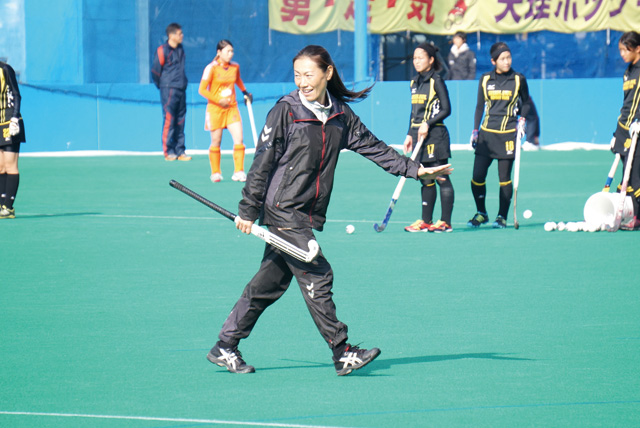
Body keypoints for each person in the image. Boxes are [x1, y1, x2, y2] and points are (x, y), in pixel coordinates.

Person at [206, 45, 452, 376]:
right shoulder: (286, 110)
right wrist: (248, 210)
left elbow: (374, 147)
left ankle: (225, 345)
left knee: (269, 283)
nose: (302, 82)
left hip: (304, 212)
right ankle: (342, 351)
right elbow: (262, 161)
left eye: (309, 75)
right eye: (297, 75)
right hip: (283, 210)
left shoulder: (339, 114)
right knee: (318, 272)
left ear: (328, 73)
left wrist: (416, 170)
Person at [468, 42, 531, 229]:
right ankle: (481, 213)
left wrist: (522, 119)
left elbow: (527, 102)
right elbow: (479, 106)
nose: (507, 61)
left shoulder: (518, 79)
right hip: (486, 136)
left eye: (509, 57)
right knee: (477, 177)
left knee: (504, 178)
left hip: (508, 135)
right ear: (493, 61)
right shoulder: (485, 79)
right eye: (502, 59)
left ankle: (502, 216)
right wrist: (475, 130)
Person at [403, 43, 455, 233]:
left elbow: (446, 109)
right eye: (414, 58)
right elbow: (414, 112)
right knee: (425, 178)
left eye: (421, 58)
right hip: (419, 136)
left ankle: (445, 222)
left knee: (441, 177)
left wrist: (428, 123)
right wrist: (409, 133)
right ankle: (426, 221)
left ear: (431, 60)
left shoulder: (436, 81)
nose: (416, 61)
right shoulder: (414, 83)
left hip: (436, 136)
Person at [199, 40, 252, 183]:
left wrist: (245, 92)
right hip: (215, 109)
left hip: (231, 108)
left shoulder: (235, 67)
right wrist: (218, 100)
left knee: (239, 139)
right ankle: (216, 173)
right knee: (216, 141)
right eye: (227, 51)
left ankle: (239, 171)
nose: (231, 54)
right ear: (219, 52)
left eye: (232, 51)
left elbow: (238, 80)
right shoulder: (211, 68)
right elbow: (202, 90)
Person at [610, 31, 640, 230]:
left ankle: (638, 217)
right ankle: (628, 213)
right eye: (620, 50)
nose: (622, 54)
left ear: (638, 49)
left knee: (635, 174)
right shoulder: (628, 72)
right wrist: (617, 133)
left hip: (638, 129)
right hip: (625, 129)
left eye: (625, 50)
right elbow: (627, 103)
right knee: (626, 174)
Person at [151, 23, 191, 162]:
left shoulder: (181, 49)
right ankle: (169, 151)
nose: (182, 36)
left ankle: (180, 150)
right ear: (171, 35)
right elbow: (155, 71)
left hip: (181, 88)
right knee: (169, 119)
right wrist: (164, 85)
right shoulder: (162, 50)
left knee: (181, 120)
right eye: (179, 34)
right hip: (168, 89)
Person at [0, 61, 26, 219]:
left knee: (10, 165)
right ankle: (1, 204)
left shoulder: (5, 69)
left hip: (9, 122)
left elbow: (16, 94)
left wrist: (15, 117)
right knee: (0, 166)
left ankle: (8, 207)